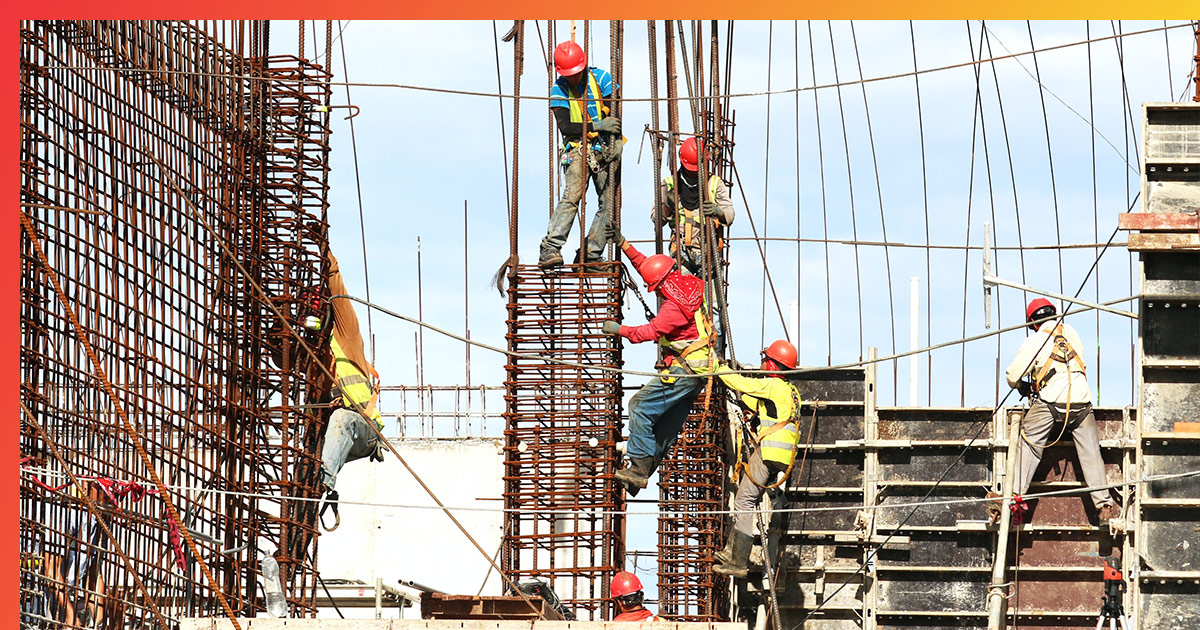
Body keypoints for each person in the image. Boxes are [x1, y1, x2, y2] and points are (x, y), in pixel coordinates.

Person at [602, 226, 713, 496]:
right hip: (698, 373)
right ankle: (639, 475)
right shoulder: (683, 282)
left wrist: (619, 330)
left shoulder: (673, 308)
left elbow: (649, 332)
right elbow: (648, 267)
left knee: (639, 406)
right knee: (664, 429)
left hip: (685, 371)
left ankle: (638, 469)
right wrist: (624, 242)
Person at [996, 298, 1117, 525]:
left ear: (1033, 323)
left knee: (1029, 442)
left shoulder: (1037, 339)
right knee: (1092, 453)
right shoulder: (1072, 333)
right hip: (1081, 403)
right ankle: (1104, 505)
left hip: (1051, 404)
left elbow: (1012, 376)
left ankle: (1014, 498)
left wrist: (1024, 386)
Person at [711, 341, 801, 578]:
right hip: (781, 456)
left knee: (744, 502)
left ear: (772, 363)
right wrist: (741, 400)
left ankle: (738, 562)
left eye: (764, 359)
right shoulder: (790, 390)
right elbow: (759, 404)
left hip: (769, 452)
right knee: (747, 498)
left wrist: (718, 367)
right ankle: (732, 551)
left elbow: (741, 382)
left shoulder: (772, 384)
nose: (761, 363)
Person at [316, 251, 386, 529]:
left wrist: (327, 259)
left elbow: (339, 296)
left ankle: (325, 480)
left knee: (342, 419)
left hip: (364, 429)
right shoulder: (311, 355)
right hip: (332, 437)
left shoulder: (344, 337)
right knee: (309, 449)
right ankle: (314, 485)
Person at [539, 41, 623, 269]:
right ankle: (550, 247)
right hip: (577, 150)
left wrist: (616, 139)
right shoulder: (558, 89)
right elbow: (565, 127)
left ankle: (591, 253)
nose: (574, 78)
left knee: (610, 203)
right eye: (569, 75)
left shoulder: (602, 79)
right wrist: (598, 125)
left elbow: (614, 114)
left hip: (603, 150)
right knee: (572, 197)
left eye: (576, 73)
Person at [651, 137, 735, 277]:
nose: (694, 172)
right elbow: (657, 219)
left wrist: (717, 211)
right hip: (682, 252)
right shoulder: (670, 184)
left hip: (709, 251)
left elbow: (730, 215)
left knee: (713, 299)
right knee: (685, 297)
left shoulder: (714, 183)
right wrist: (668, 206)